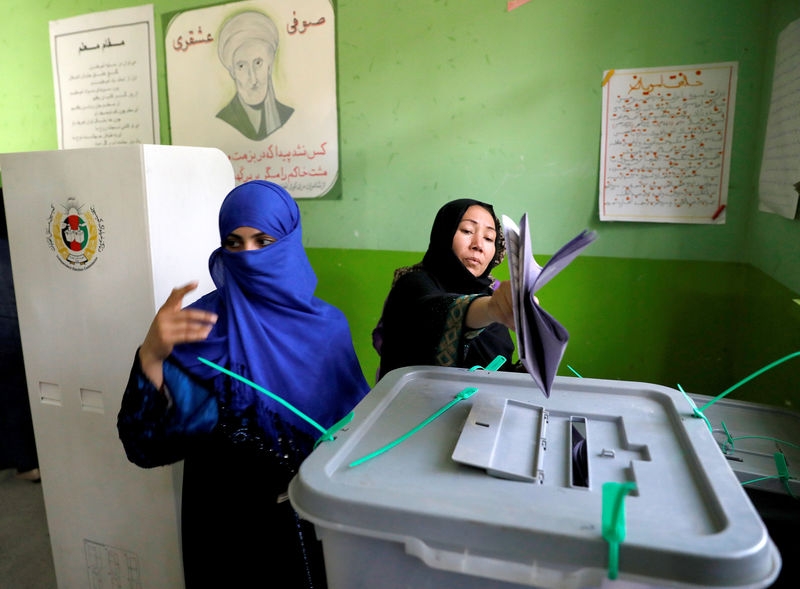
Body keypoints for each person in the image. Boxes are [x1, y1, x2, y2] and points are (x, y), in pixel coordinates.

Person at [117, 180, 369, 588]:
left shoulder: (326, 328)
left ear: (289, 241)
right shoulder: (198, 330)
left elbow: (353, 437)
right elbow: (144, 447)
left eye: (263, 240)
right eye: (234, 243)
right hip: (226, 534)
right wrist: (151, 355)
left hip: (312, 524)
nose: (248, 257)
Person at [374, 198, 517, 380]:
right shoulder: (412, 284)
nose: (478, 245)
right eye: (467, 231)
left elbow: (501, 370)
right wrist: (489, 309)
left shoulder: (490, 296)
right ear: (443, 234)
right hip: (415, 404)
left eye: (489, 238)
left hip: (483, 406)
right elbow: (434, 311)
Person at [216, 11, 294, 141]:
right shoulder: (223, 121)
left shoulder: (288, 116)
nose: (253, 79)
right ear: (232, 72)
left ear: (270, 65)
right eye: (241, 66)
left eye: (258, 63)